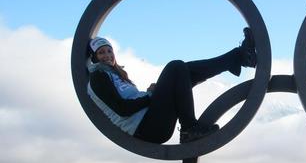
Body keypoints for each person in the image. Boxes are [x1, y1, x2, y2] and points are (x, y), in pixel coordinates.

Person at [87, 28, 256, 144]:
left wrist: (149, 94)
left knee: (184, 71)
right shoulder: (97, 77)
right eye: (101, 52)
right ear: (94, 58)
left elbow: (131, 102)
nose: (107, 55)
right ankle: (189, 128)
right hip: (147, 129)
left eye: (109, 51)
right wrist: (150, 96)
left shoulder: (116, 75)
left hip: (151, 119)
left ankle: (239, 56)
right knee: (175, 67)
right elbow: (122, 109)